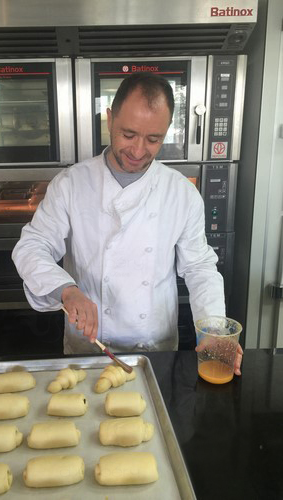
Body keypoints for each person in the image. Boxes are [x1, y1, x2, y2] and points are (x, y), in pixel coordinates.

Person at [12, 72, 242, 374]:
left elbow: (199, 267)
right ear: (110, 119)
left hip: (155, 350)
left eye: (153, 139)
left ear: (167, 131)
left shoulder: (181, 192)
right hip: (89, 348)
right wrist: (66, 289)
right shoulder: (71, 184)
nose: (137, 151)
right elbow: (33, 246)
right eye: (128, 134)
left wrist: (213, 330)